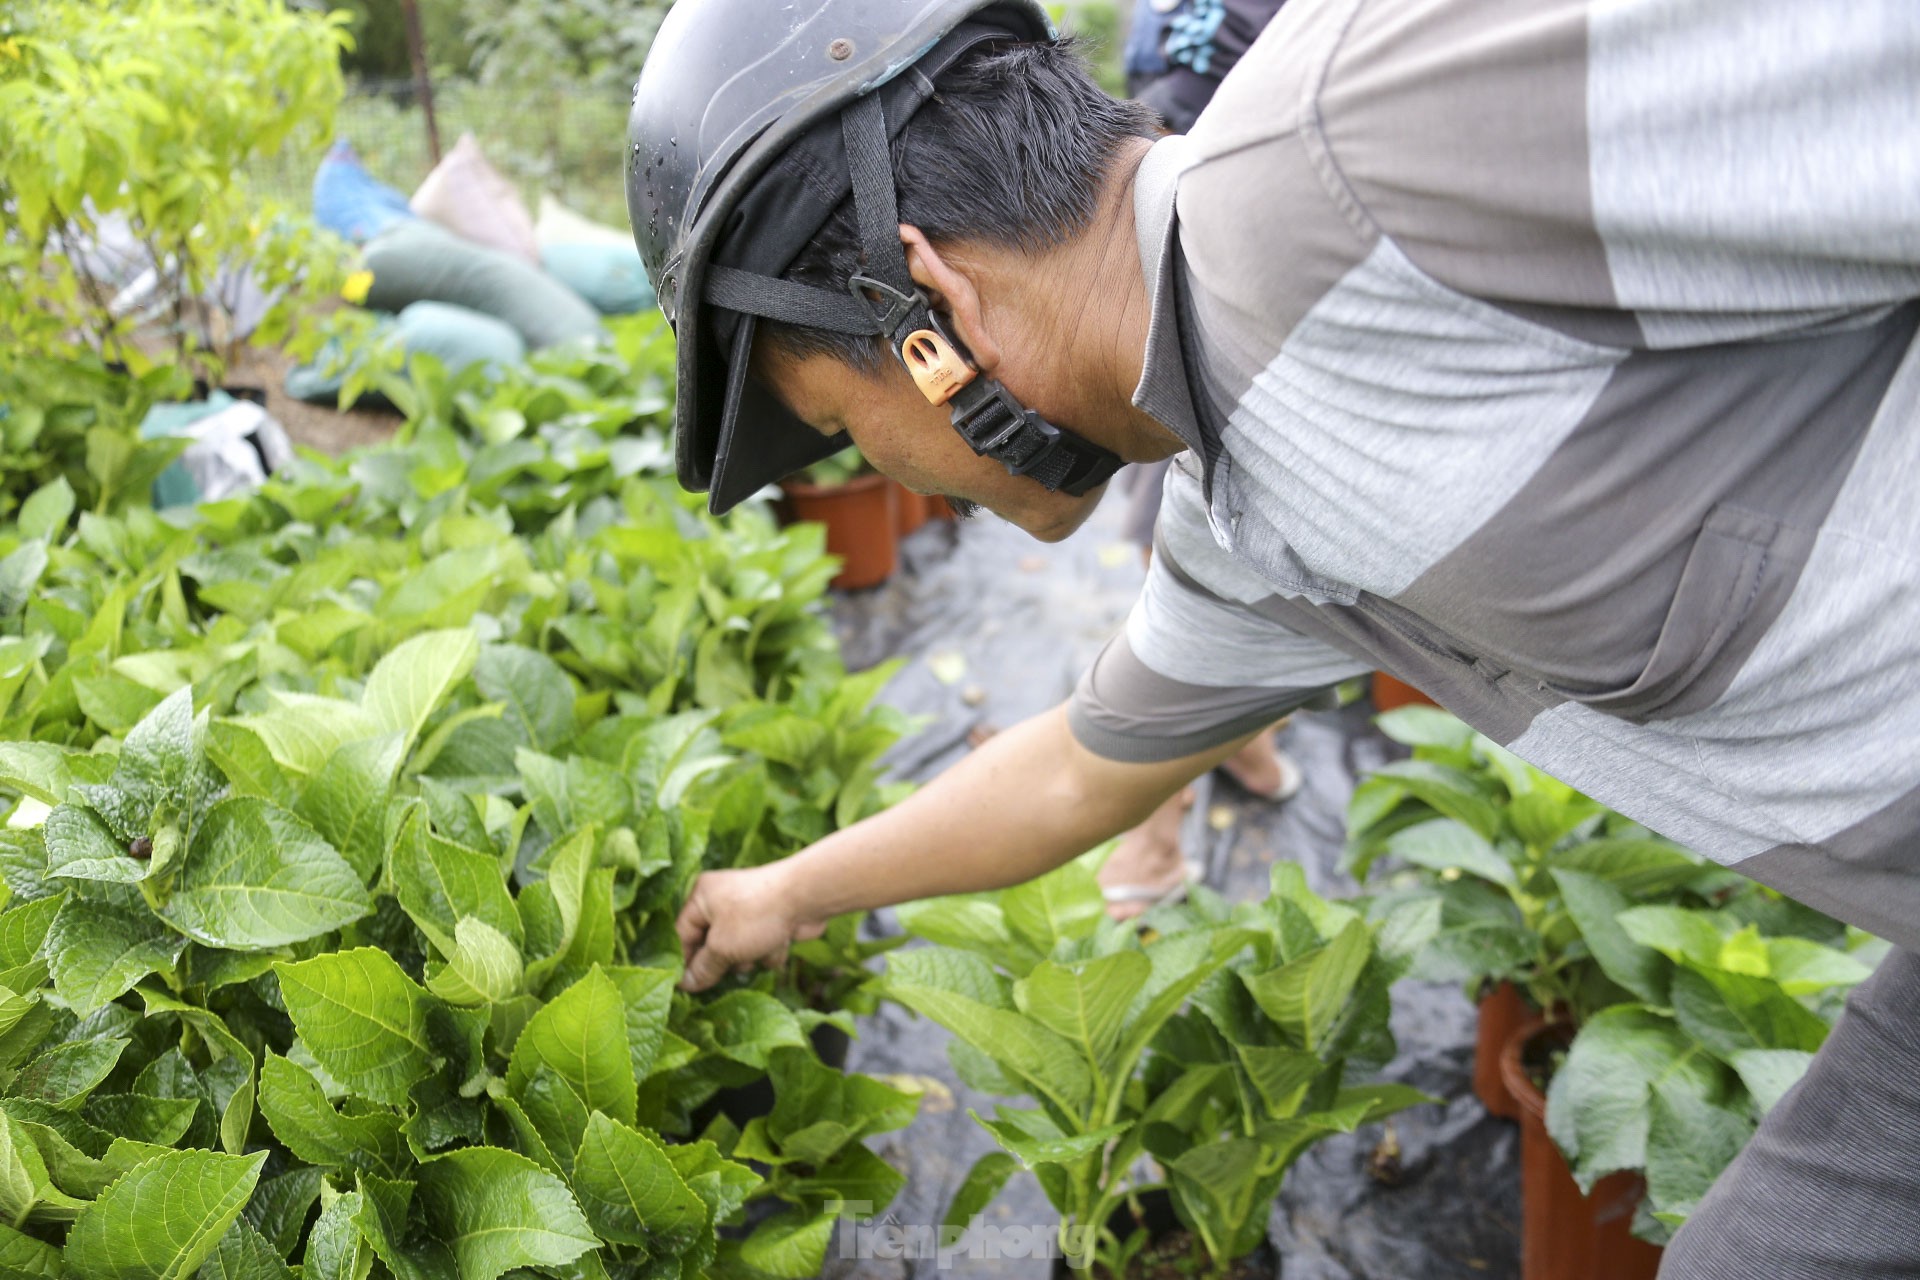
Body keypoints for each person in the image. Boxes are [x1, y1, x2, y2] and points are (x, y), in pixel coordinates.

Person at [627, 2, 1920, 1276]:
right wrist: (783, 893)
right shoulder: (1239, 520)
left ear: (933, 323)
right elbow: (1081, 769)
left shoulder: (1392, 123)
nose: (882, 469)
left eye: (849, 430)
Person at [1101, 0, 1301, 919]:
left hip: (1259, 280)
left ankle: (1160, 826)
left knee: (1221, 553)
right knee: (1175, 545)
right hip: (1167, 266)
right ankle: (1214, 781)